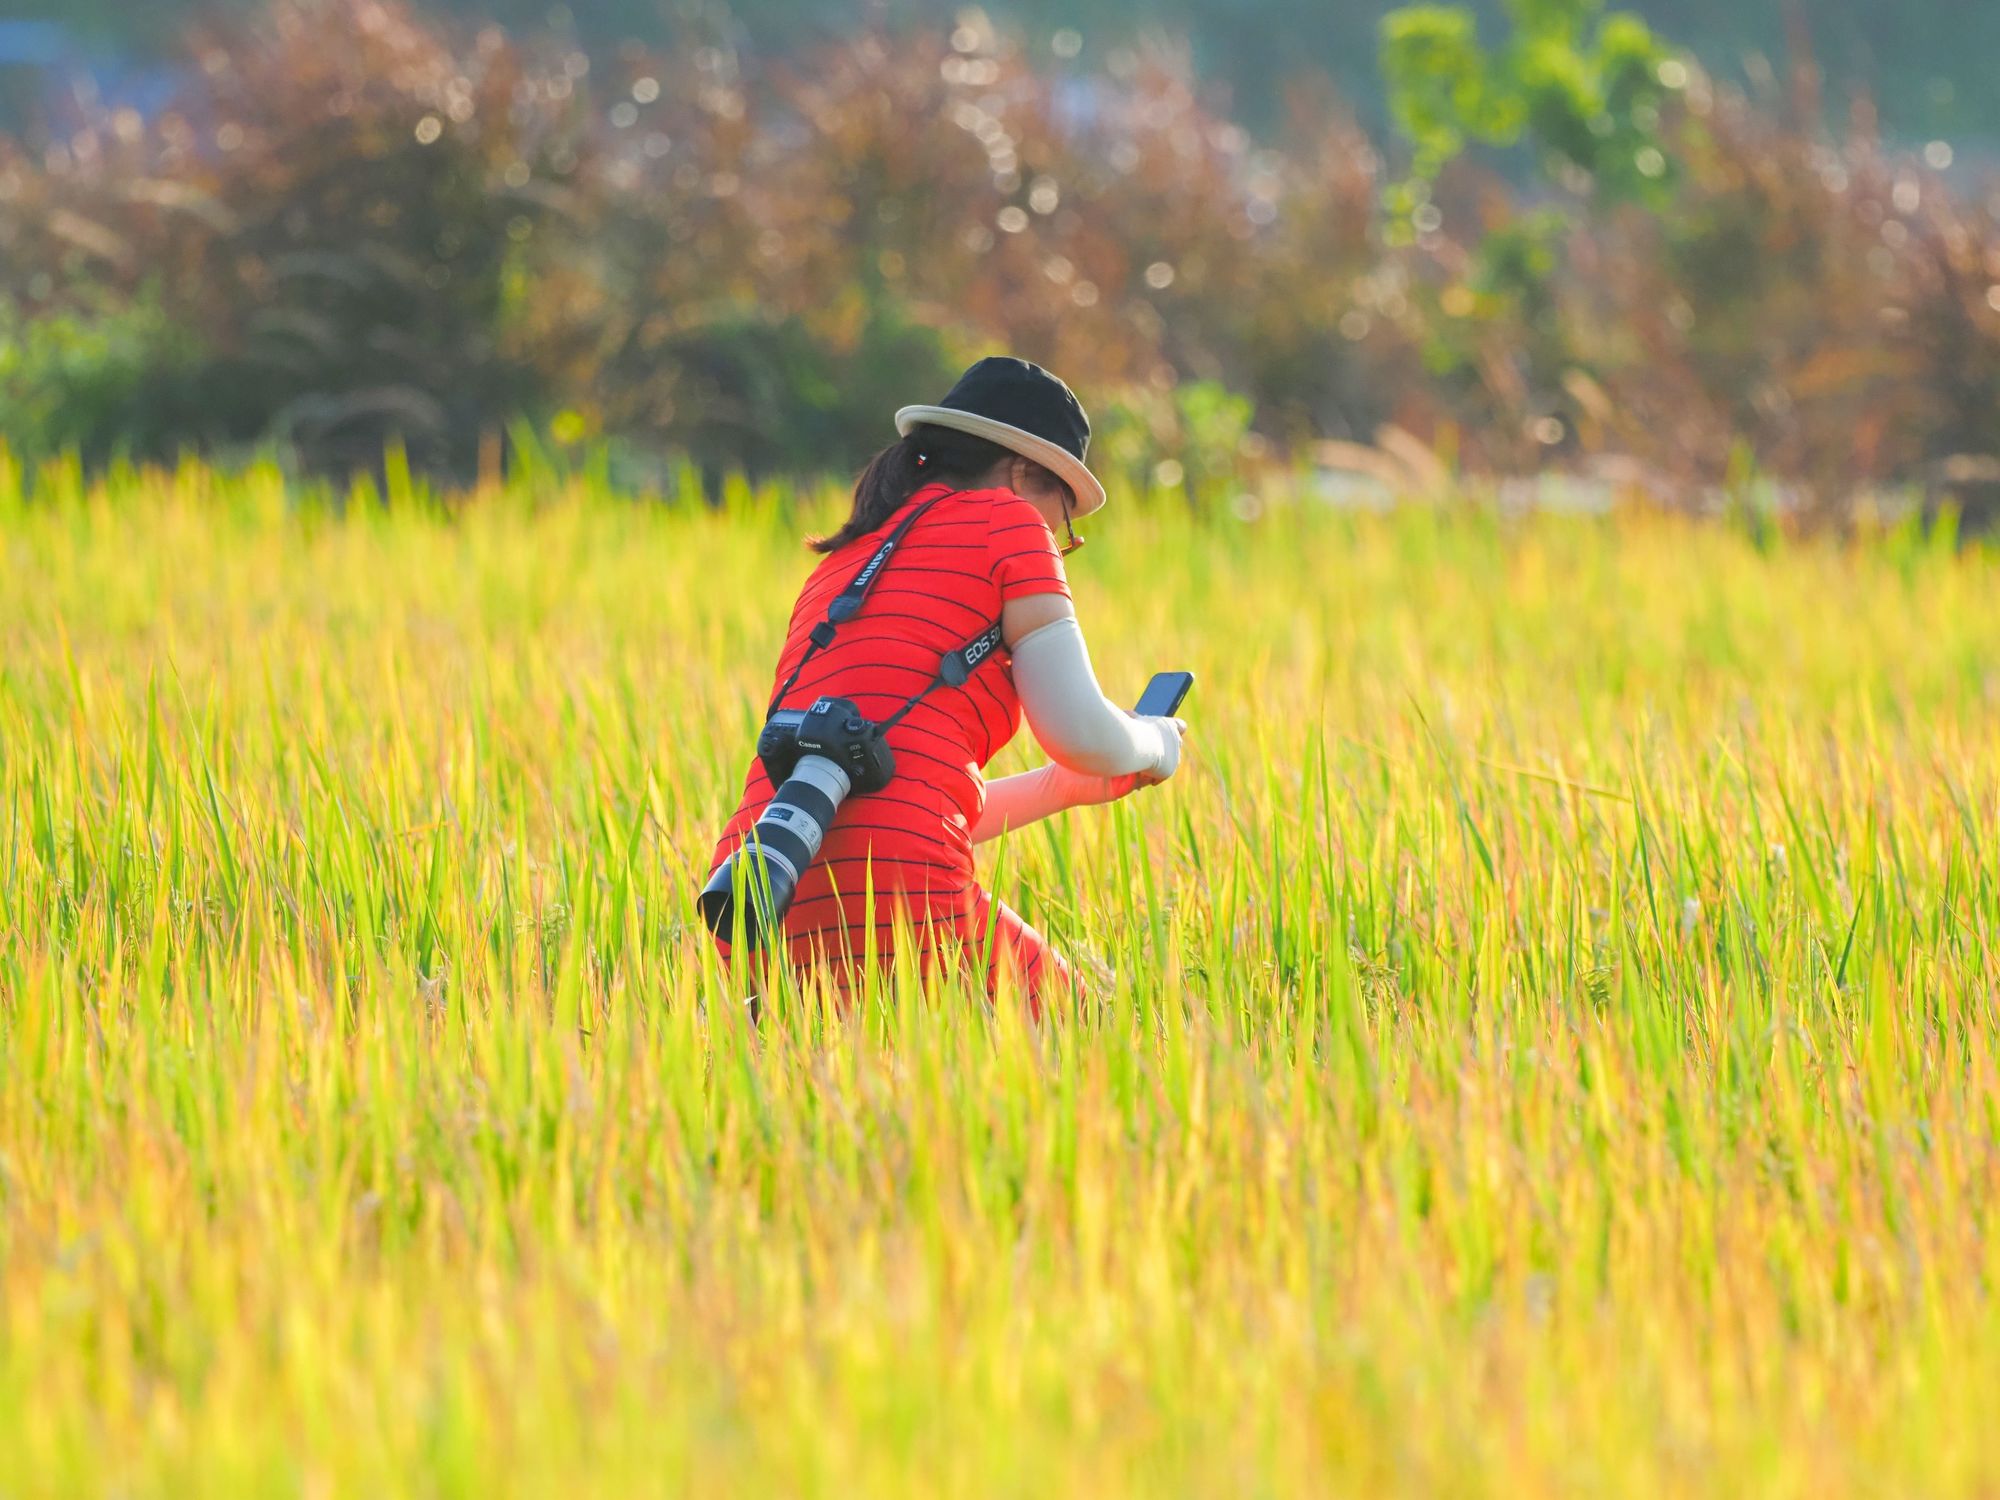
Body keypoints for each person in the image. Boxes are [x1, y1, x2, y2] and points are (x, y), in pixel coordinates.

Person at [704, 356, 1188, 1010]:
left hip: (758, 880)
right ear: (1021, 472)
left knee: (832, 1096)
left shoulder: (845, 561)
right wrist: (1153, 741)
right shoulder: (1005, 521)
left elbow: (884, 796)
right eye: (1062, 518)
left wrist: (1061, 788)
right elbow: (1080, 732)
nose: (1058, 537)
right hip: (908, 891)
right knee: (1090, 1050)